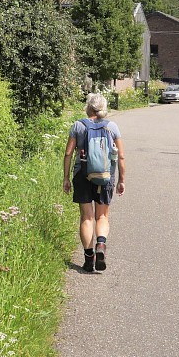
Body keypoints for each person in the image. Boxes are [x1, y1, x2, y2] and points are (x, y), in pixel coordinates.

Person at [63, 92, 125, 272]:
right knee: (102, 216)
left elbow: (68, 153)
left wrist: (66, 177)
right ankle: (101, 245)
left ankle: (89, 259)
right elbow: (121, 156)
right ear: (103, 108)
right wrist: (121, 179)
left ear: (88, 107)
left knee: (87, 217)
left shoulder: (78, 125)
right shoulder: (112, 126)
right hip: (105, 176)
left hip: (82, 175)